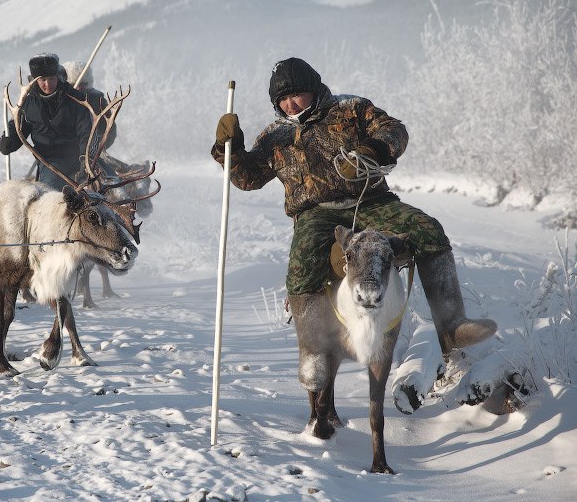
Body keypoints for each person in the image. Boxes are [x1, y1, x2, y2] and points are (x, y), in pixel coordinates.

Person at [212, 57, 496, 354]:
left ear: (312, 88)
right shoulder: (276, 135)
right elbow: (248, 178)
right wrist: (227, 148)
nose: (290, 105)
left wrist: (369, 151)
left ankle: (452, 327)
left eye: (295, 94)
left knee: (427, 229)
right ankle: (313, 351)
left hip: (372, 201)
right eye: (282, 99)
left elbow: (395, 130)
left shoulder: (351, 109)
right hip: (316, 214)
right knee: (302, 262)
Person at [0, 53, 92, 191]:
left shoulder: (75, 98)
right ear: (35, 80)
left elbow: (86, 132)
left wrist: (85, 159)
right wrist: (8, 141)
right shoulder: (28, 103)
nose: (48, 84)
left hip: (79, 158)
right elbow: (18, 127)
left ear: (58, 76)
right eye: (43, 80)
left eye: (52, 79)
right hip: (49, 162)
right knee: (50, 193)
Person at [62, 60, 117, 150]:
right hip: (66, 154)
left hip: (93, 153)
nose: (80, 87)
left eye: (83, 84)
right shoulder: (61, 102)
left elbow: (110, 128)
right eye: (76, 84)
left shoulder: (97, 99)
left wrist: (99, 146)